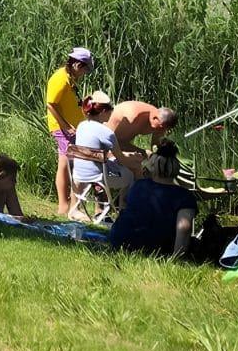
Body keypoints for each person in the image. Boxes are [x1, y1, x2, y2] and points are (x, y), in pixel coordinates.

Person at [107, 143, 198, 257]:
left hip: (120, 241)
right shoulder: (185, 196)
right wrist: (177, 257)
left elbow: (124, 205)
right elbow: (184, 228)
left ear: (152, 168)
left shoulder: (138, 185)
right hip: (155, 248)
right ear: (176, 168)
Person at [67, 93, 140, 221]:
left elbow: (93, 152)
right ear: (103, 112)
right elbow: (122, 159)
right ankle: (124, 210)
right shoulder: (107, 132)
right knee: (132, 172)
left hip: (79, 175)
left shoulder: (82, 126)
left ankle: (97, 210)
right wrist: (135, 158)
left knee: (119, 164)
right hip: (99, 177)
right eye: (111, 109)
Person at [45, 47, 95, 216]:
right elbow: (50, 104)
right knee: (65, 163)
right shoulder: (60, 79)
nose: (84, 73)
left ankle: (68, 205)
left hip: (72, 128)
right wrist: (65, 125)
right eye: (85, 69)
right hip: (61, 129)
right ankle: (64, 206)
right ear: (77, 65)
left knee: (66, 162)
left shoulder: (69, 79)